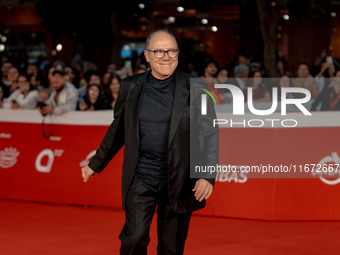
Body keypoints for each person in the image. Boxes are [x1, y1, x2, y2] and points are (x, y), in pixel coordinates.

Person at [81, 29, 218, 255]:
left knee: (170, 248)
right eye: (159, 51)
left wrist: (207, 174)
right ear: (147, 56)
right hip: (140, 177)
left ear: (178, 53)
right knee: (133, 240)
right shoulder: (130, 86)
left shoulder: (197, 88)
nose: (166, 56)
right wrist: (95, 163)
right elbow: (118, 129)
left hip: (179, 179)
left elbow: (208, 134)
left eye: (171, 51)